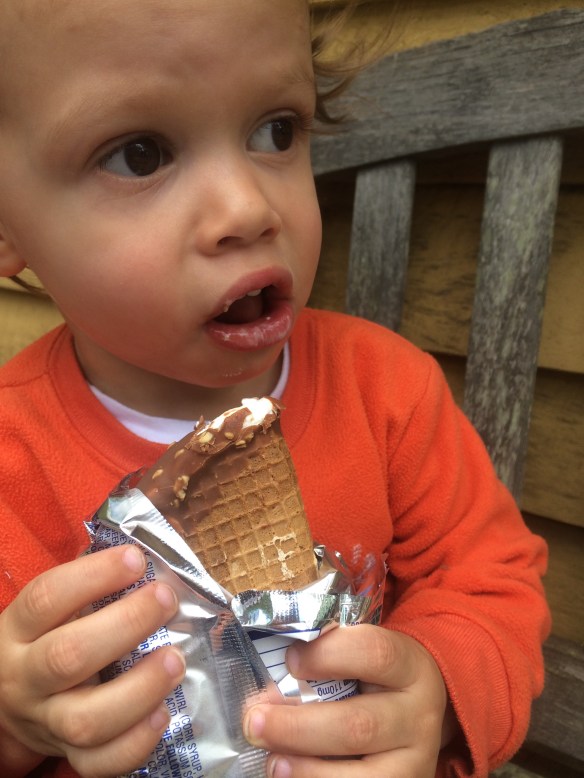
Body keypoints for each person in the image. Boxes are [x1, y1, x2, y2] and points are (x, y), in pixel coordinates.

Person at [0, 1, 550, 777]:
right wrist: (14, 720)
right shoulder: (13, 456)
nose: (248, 209)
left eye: (275, 131)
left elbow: (492, 581)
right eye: (139, 154)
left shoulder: (387, 393)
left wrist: (439, 689)